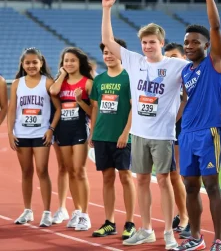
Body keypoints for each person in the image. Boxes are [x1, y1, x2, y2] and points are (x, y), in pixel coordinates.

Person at [102, 0, 188, 250]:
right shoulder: (134, 61)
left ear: (162, 43)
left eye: (153, 42)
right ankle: (146, 228)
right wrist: (107, 10)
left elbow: (192, 89)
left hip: (162, 135)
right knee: (141, 180)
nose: (148, 46)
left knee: (163, 181)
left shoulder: (176, 66)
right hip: (139, 133)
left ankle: (169, 234)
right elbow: (108, 41)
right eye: (145, 42)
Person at [174, 0, 221, 251]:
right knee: (190, 187)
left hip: (208, 133)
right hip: (187, 133)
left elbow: (216, 27)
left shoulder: (214, 63)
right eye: (186, 42)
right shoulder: (185, 71)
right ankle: (196, 236)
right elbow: (183, 101)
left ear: (207, 44)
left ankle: (219, 239)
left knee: (212, 185)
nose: (189, 45)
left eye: (195, 42)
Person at [7, 47, 61, 227]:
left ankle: (46, 212)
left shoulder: (47, 82)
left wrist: (51, 129)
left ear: (41, 63)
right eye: (27, 63)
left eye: (34, 62)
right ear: (22, 64)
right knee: (26, 172)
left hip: (41, 134)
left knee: (42, 170)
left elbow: (58, 108)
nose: (31, 66)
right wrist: (10, 133)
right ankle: (27, 210)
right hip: (21, 134)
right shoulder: (17, 83)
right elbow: (12, 110)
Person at [90, 38, 136, 240]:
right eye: (105, 53)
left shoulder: (129, 78)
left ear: (120, 54)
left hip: (123, 138)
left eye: (111, 52)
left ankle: (130, 222)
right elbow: (95, 108)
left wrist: (126, 132)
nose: (108, 56)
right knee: (107, 178)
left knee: (126, 177)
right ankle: (109, 222)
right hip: (102, 136)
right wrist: (93, 132)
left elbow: (134, 108)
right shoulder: (99, 80)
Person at [50, 47, 93, 231]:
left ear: (80, 62)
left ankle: (85, 215)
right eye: (66, 60)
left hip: (80, 131)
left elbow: (93, 112)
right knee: (70, 171)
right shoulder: (61, 82)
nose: (69, 63)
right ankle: (76, 210)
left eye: (72, 60)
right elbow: (53, 91)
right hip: (63, 131)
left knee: (79, 171)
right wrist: (61, 75)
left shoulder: (88, 83)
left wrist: (80, 100)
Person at [164, 43, 189, 234]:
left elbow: (185, 100)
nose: (169, 60)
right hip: (169, 128)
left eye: (174, 56)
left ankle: (186, 216)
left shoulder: (189, 74)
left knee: (179, 174)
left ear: (183, 57)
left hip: (184, 127)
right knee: (174, 175)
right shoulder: (167, 75)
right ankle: (183, 213)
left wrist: (173, 121)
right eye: (167, 57)